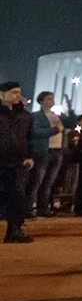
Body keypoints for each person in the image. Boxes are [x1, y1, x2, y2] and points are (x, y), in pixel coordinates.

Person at [29, 92, 75, 217]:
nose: (52, 101)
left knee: (49, 182)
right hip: (43, 152)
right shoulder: (36, 116)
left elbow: (71, 123)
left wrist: (70, 108)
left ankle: (43, 208)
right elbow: (36, 132)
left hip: (57, 151)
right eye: (49, 99)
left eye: (52, 99)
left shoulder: (57, 115)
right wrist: (56, 130)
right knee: (37, 181)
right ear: (41, 101)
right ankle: (28, 208)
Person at [0, 82, 35, 243]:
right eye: (14, 92)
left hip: (16, 163)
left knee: (17, 197)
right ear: (2, 95)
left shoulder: (25, 116)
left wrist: (29, 156)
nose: (18, 96)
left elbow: (29, 139)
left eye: (19, 92)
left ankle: (14, 230)